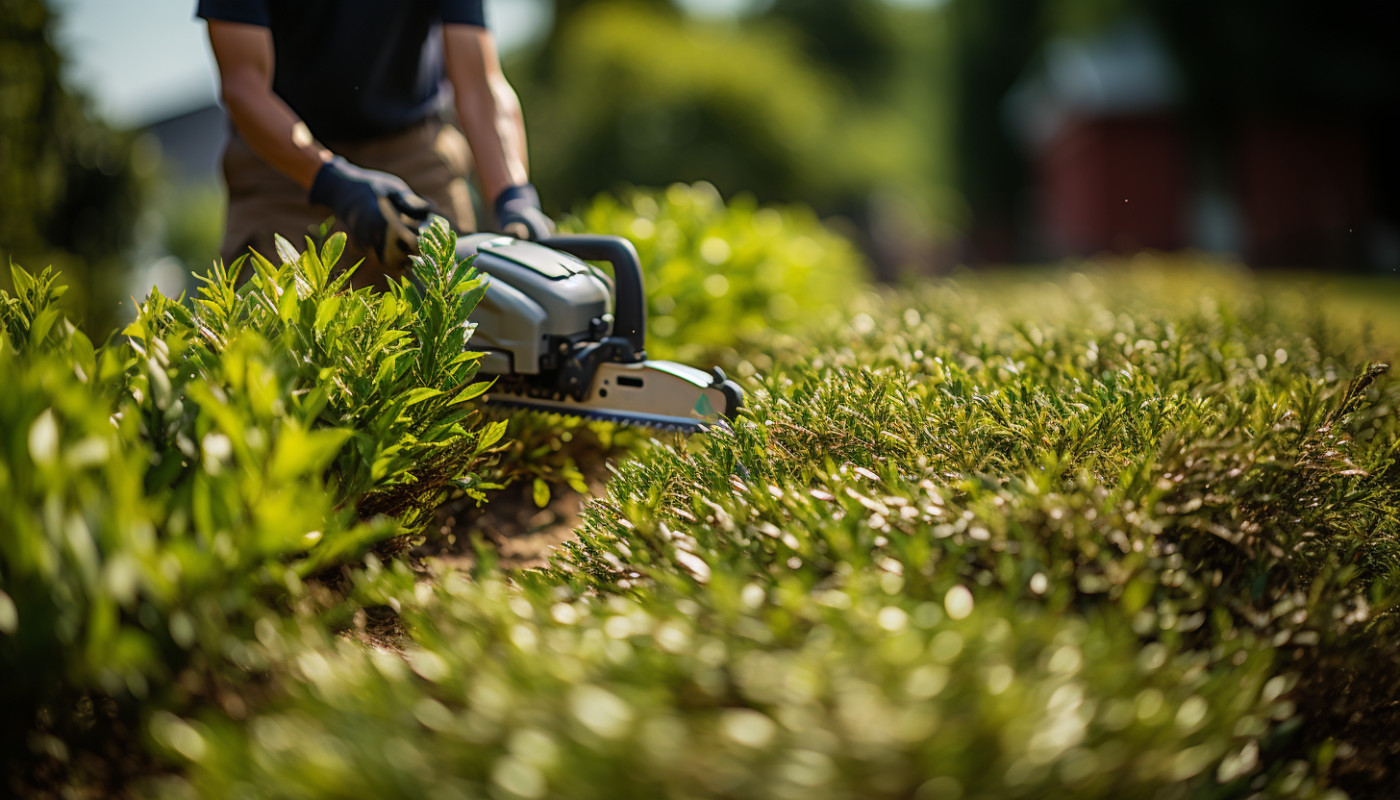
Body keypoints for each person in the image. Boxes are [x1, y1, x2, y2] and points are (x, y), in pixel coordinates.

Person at [197, 1, 553, 288]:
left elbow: (479, 84)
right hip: (280, 170)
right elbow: (245, 87)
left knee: (458, 322)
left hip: (414, 157)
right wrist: (333, 181)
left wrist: (513, 196)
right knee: (273, 346)